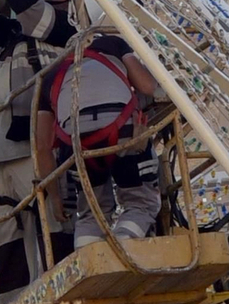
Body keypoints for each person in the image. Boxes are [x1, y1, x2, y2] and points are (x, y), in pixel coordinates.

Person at [0, 0, 71, 293]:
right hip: (0, 152)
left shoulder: (67, 31)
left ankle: (60, 299)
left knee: (49, 229)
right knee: (5, 234)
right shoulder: (16, 36)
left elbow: (35, 16)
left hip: (37, 145)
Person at [47, 16, 164, 250]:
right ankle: (124, 245)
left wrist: (55, 197)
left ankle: (89, 257)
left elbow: (42, 145)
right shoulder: (112, 44)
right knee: (141, 203)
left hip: (78, 143)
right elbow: (148, 87)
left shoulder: (51, 73)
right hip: (121, 129)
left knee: (92, 211)